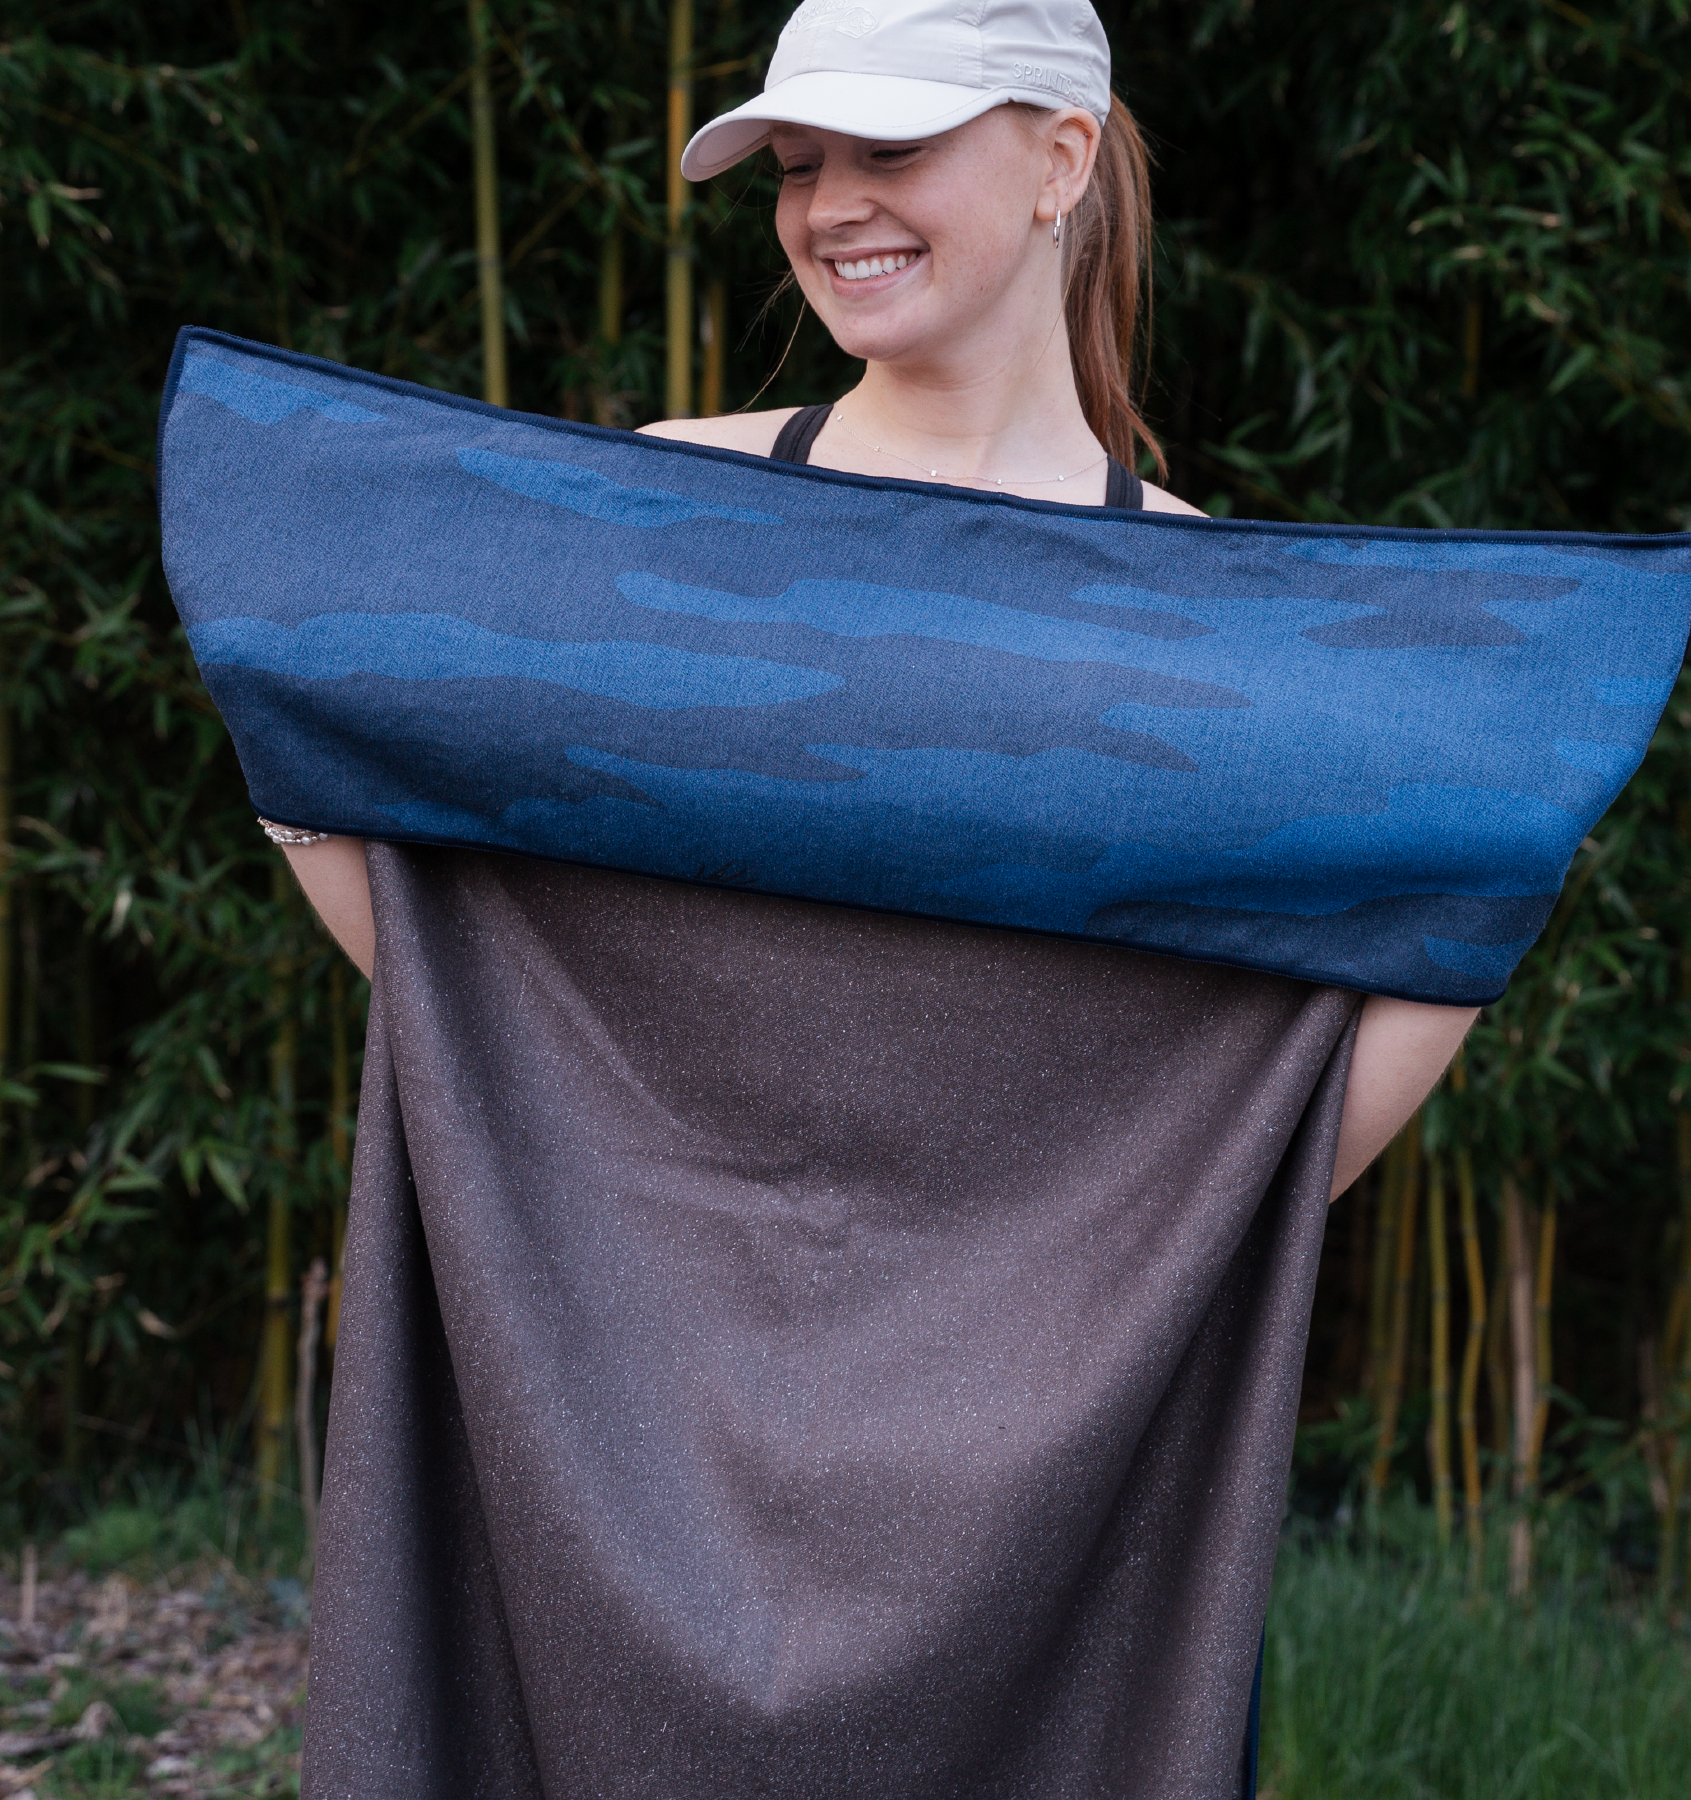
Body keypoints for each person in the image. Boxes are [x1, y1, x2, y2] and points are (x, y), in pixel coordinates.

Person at [277, 3, 1478, 1794]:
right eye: (801, 163)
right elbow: (433, 919)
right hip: (616, 1427)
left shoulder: (1214, 631)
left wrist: (1473, 895)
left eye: (892, 147)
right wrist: (562, 1157)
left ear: (1062, 158)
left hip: (1029, 1494)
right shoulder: (662, 507)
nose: (832, 203)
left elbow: (1279, 1115)